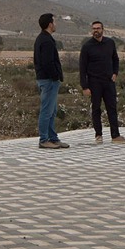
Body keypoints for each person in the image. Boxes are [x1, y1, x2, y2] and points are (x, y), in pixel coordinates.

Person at [78, 20, 125, 144]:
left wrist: (115, 73)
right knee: (96, 108)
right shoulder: (87, 47)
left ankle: (115, 136)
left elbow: (115, 59)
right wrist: (84, 86)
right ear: (92, 31)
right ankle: (98, 135)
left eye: (98, 28)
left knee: (112, 108)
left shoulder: (110, 43)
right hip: (94, 82)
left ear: (103, 30)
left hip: (108, 82)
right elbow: (82, 67)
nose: (96, 30)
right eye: (94, 29)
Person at [33, 13, 69, 150]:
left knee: (52, 110)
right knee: (47, 110)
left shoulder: (44, 39)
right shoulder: (46, 41)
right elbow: (48, 62)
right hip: (48, 80)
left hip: (48, 80)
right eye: (54, 22)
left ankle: (53, 138)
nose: (56, 24)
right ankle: (44, 139)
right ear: (50, 24)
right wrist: (55, 76)